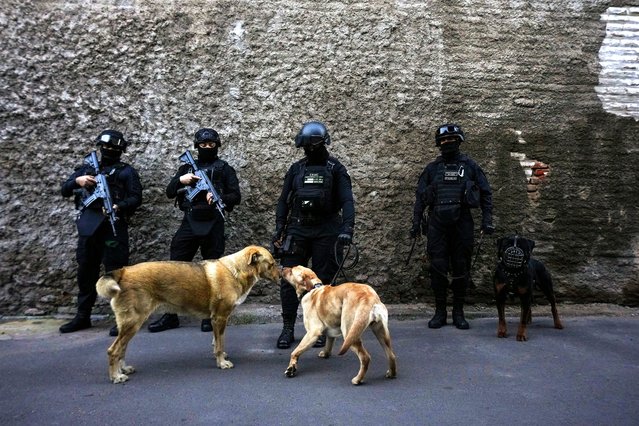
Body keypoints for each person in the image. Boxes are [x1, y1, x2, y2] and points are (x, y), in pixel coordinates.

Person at [147, 128, 241, 333]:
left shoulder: (224, 168)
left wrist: (220, 198)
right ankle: (171, 315)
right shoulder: (187, 168)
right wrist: (182, 180)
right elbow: (170, 192)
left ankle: (210, 314)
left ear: (217, 145)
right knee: (175, 269)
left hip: (214, 221)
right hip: (190, 221)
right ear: (196, 146)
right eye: (203, 145)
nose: (207, 148)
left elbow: (236, 196)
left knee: (214, 272)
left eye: (211, 145)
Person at [271, 121, 355, 349]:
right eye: (305, 146)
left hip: (326, 230)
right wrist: (279, 228)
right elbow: (283, 200)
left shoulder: (335, 169)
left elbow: (347, 200)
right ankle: (288, 327)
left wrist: (348, 229)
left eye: (311, 145)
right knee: (289, 281)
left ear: (322, 143)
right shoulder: (297, 169)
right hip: (297, 229)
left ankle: (319, 329)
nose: (308, 150)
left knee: (323, 283)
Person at [411, 123, 494, 330]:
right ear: (439, 144)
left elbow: (486, 194)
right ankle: (440, 312)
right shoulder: (431, 169)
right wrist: (415, 223)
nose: (448, 144)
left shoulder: (471, 166)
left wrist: (487, 220)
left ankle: (458, 312)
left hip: (462, 223)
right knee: (437, 269)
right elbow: (420, 199)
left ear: (459, 142)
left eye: (452, 140)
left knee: (461, 267)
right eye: (444, 141)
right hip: (437, 224)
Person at [60, 129, 143, 336]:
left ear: (121, 150)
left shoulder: (126, 172)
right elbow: (65, 189)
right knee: (86, 271)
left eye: (114, 148)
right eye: (105, 147)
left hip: (112, 227)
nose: (109, 151)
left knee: (117, 274)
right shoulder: (87, 169)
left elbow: (136, 198)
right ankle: (83, 316)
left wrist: (118, 206)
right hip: (89, 226)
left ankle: (121, 317)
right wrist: (78, 182)